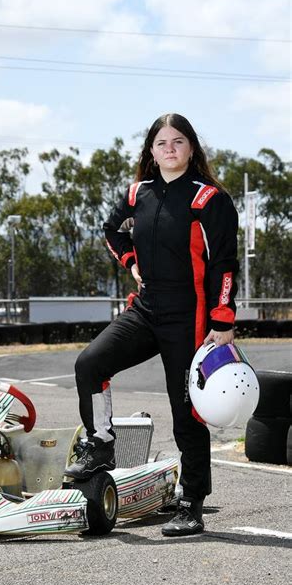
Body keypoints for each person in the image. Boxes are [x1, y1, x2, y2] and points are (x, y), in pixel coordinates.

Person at [64, 113, 239, 536]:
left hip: (190, 319)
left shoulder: (209, 199)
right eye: (162, 143)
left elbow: (226, 264)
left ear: (191, 148)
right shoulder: (137, 192)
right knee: (90, 365)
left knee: (186, 413)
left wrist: (223, 318)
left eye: (178, 142)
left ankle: (192, 502)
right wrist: (130, 261)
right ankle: (102, 444)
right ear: (151, 151)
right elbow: (110, 229)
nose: (170, 149)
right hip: (145, 310)